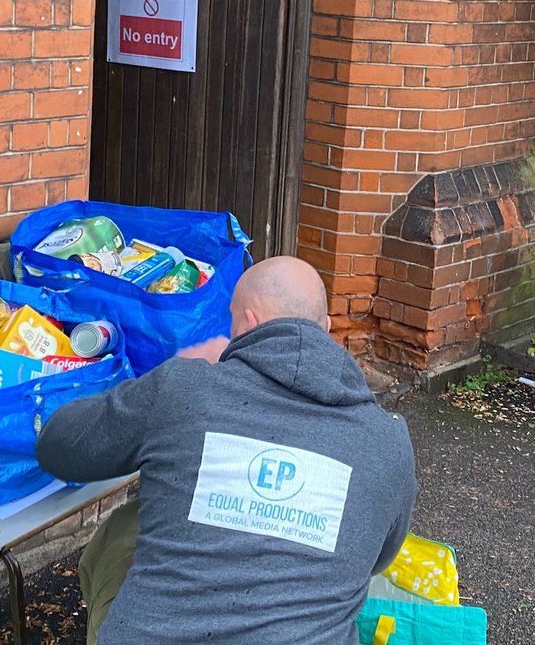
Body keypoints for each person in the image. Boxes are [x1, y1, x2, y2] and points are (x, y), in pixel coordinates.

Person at [36, 255, 417, 645]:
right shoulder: (388, 442)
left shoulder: (183, 387)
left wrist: (184, 368)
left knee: (121, 528)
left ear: (247, 324)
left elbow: (59, 446)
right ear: (327, 328)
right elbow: (377, 559)